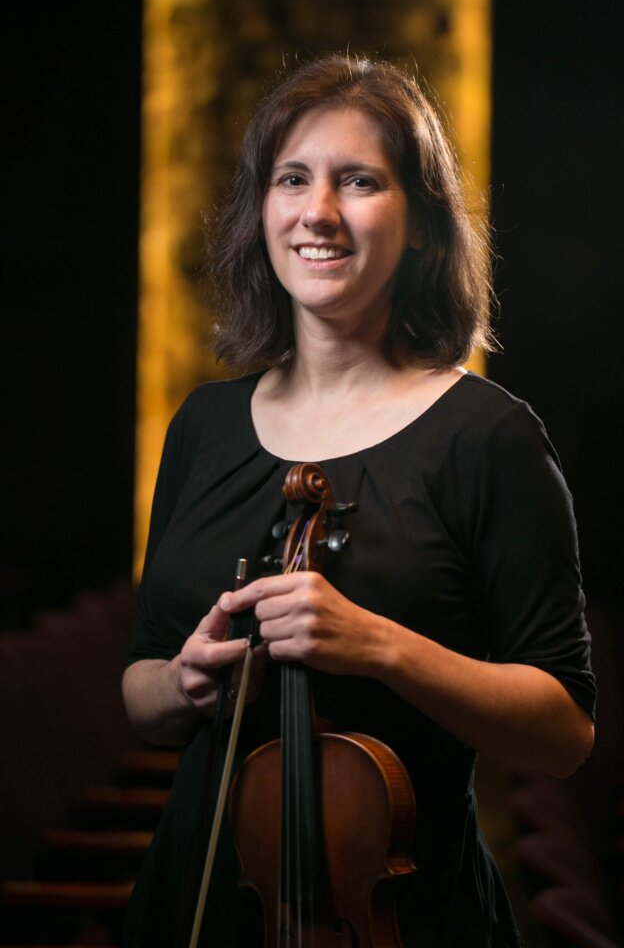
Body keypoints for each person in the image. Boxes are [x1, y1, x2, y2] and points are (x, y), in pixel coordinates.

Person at [121, 54, 596, 947]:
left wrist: (378, 645)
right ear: (261, 209)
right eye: (292, 178)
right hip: (197, 899)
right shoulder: (204, 426)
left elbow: (561, 730)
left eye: (360, 181)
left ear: (419, 225)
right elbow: (140, 688)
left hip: (401, 912)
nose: (318, 212)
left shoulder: (487, 438)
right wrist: (182, 682)